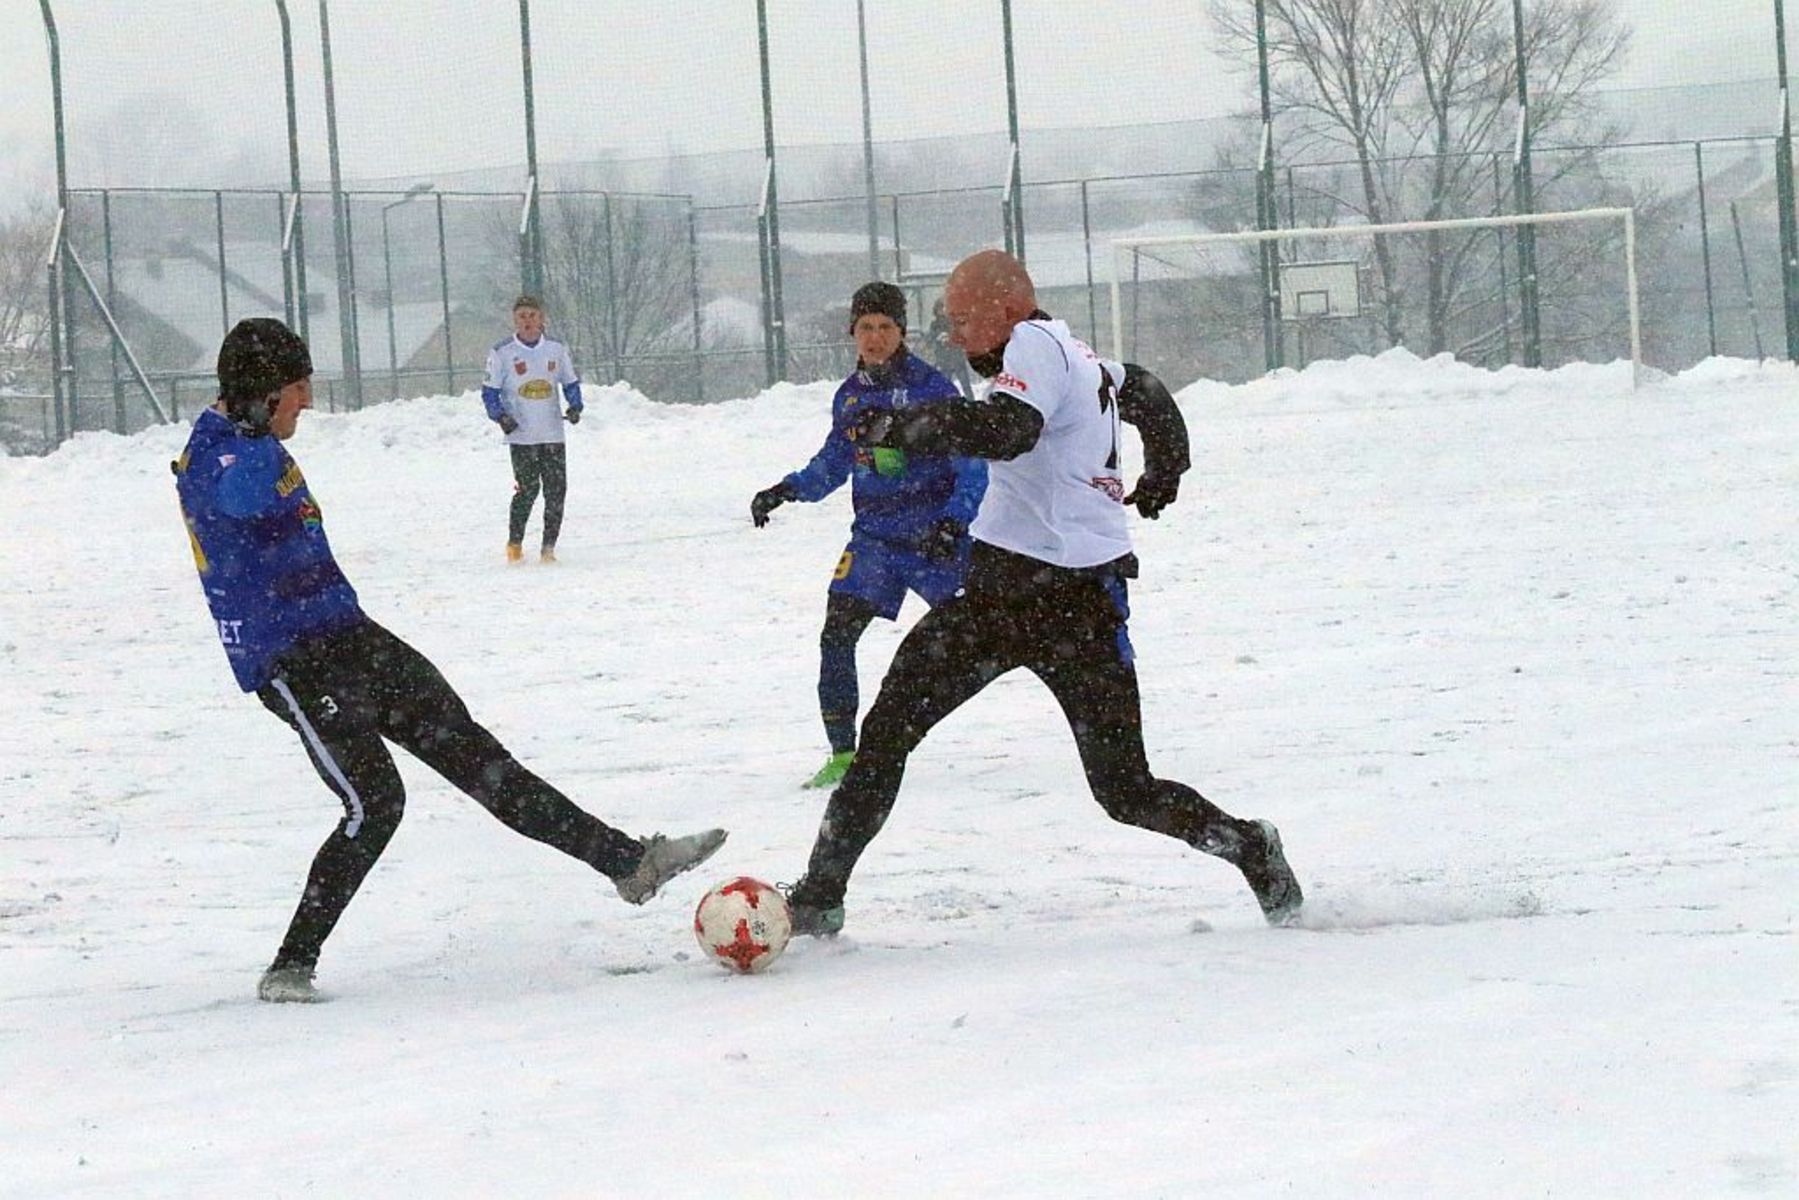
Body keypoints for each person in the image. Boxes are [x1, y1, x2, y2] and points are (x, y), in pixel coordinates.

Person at [173, 318, 725, 1003]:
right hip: (291, 664)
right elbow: (239, 500)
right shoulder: (217, 457)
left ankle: (630, 864)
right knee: (374, 803)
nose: (307, 402)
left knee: (476, 755)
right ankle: (291, 963)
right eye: (296, 388)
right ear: (259, 395)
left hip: (349, 634)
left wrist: (260, 422)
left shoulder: (248, 441)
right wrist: (256, 427)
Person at [783, 250, 1302, 937]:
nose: (954, 334)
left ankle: (1248, 845)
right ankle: (820, 895)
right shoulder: (1074, 353)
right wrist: (1165, 471)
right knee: (887, 731)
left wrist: (904, 429)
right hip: (1000, 597)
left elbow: (1005, 431)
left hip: (1069, 604)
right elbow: (1143, 389)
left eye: (961, 320)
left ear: (1003, 313)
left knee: (1122, 789)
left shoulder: (1030, 343)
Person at [750, 281, 987, 791]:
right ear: (852, 334)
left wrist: (954, 520)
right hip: (875, 540)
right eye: (865, 328)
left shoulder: (935, 388)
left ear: (902, 332)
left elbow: (973, 465)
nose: (875, 337)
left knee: (991, 638)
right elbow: (835, 461)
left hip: (933, 540)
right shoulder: (851, 396)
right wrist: (788, 489)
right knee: (836, 635)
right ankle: (843, 754)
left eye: (885, 327)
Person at [481, 294, 583, 563]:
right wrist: (501, 417)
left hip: (552, 434)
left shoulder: (556, 350)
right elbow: (489, 392)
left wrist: (575, 406)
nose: (528, 321)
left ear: (542, 319)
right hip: (522, 437)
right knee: (527, 490)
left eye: (532, 316)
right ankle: (515, 543)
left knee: (556, 491)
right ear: (515, 321)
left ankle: (548, 548)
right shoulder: (502, 352)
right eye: (522, 317)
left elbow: (570, 383)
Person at [925, 296, 974, 397]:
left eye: (944, 308)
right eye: (940, 308)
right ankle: (947, 405)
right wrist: (937, 338)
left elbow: (963, 336)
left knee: (966, 386)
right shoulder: (935, 324)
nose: (942, 311)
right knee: (945, 387)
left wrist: (951, 338)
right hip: (944, 360)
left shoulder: (955, 322)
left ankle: (971, 405)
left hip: (957, 358)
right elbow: (929, 340)